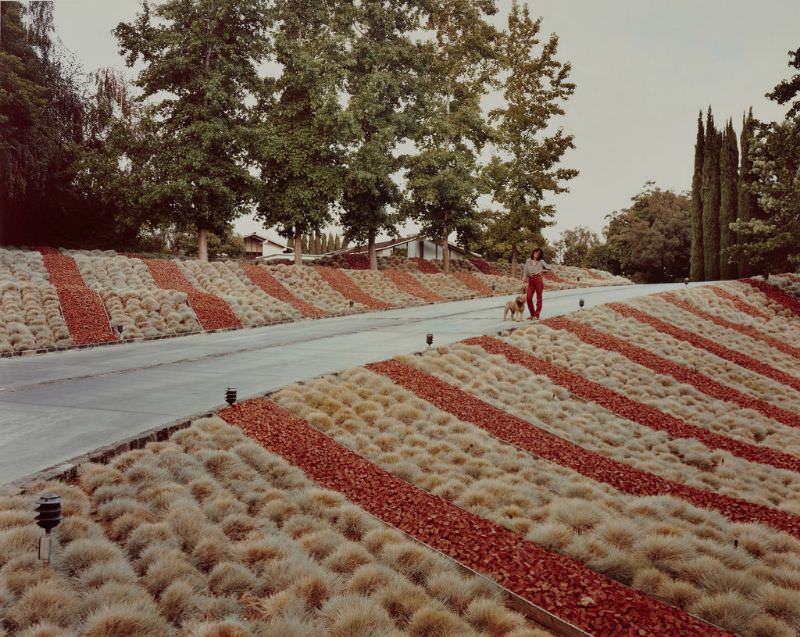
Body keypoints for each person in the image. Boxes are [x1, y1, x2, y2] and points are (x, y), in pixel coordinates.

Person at [523, 248, 550, 319]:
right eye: (536, 252)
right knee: (528, 298)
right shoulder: (528, 261)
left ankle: (537, 315)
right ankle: (532, 314)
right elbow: (525, 271)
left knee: (539, 298)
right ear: (533, 252)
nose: (537, 254)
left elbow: (549, 268)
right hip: (530, 280)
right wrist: (524, 281)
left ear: (540, 255)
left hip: (538, 280)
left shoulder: (541, 261)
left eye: (538, 253)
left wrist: (543, 271)